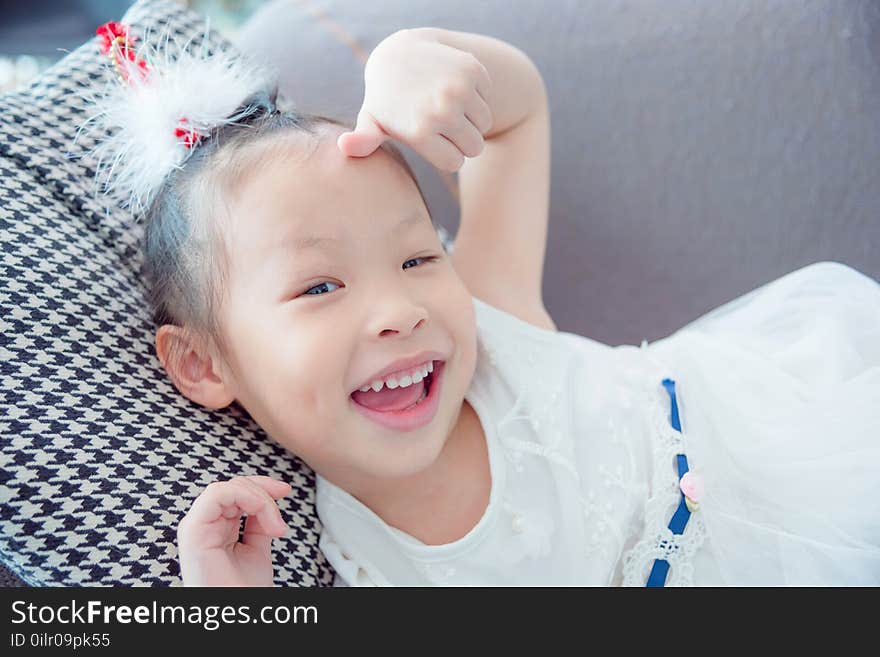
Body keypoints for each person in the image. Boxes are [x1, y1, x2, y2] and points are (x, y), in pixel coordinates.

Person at [81, 20, 880, 587]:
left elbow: (517, 111)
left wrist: (416, 56)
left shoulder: (493, 322)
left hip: (785, 446)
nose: (399, 309)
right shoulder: (364, 561)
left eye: (418, 256)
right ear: (203, 361)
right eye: (320, 286)